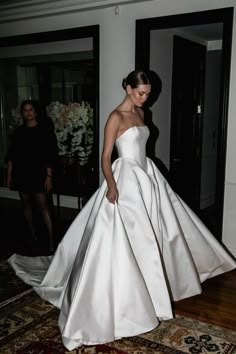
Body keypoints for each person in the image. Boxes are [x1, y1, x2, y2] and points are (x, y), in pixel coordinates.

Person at [8, 71, 236, 351]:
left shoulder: (141, 112)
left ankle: (154, 287)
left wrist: (147, 173)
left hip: (147, 176)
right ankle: (129, 294)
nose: (145, 97)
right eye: (140, 92)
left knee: (156, 232)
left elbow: (141, 145)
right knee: (127, 235)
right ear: (127, 87)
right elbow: (105, 157)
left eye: (148, 93)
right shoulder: (115, 117)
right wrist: (111, 184)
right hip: (125, 177)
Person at [6, 99, 58, 254]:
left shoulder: (44, 131)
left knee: (44, 207)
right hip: (22, 173)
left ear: (36, 112)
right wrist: (9, 176)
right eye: (25, 110)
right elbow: (12, 156)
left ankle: (51, 241)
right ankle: (33, 236)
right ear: (22, 113)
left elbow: (50, 155)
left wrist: (49, 176)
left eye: (31, 110)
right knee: (26, 205)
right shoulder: (18, 132)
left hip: (39, 174)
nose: (28, 112)